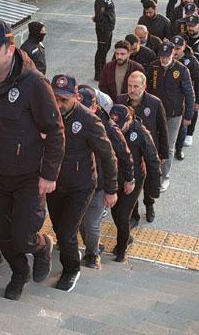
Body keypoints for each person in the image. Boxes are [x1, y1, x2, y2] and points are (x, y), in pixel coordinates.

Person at [0, 19, 65, 301]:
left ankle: (42, 247)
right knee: (0, 233)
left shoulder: (33, 83)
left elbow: (55, 130)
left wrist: (50, 174)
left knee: (23, 235)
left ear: (10, 49)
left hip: (28, 176)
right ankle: (19, 271)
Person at [48, 75, 117, 291]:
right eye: (56, 99)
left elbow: (108, 155)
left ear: (76, 96)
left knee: (67, 232)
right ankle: (71, 251)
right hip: (53, 183)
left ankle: (71, 269)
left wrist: (111, 189)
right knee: (59, 229)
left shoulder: (89, 120)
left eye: (64, 100)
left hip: (81, 185)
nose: (59, 105)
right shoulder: (46, 114)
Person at [77, 86, 132, 270]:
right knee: (80, 223)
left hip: (98, 185)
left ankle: (92, 254)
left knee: (91, 224)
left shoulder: (108, 128)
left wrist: (123, 183)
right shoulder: (70, 120)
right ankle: (94, 247)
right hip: (77, 183)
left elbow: (122, 156)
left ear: (94, 107)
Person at [108, 104, 160, 263]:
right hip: (116, 177)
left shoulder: (141, 133)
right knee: (115, 213)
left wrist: (153, 190)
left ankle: (121, 250)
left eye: (122, 124)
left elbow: (153, 160)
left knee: (123, 216)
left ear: (129, 120)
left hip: (134, 179)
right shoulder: (110, 129)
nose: (119, 128)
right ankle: (126, 237)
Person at [116, 72, 168, 224]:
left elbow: (163, 130)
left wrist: (163, 154)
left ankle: (149, 205)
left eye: (136, 86)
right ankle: (134, 214)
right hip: (130, 152)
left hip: (149, 151)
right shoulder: (120, 101)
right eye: (130, 86)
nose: (132, 90)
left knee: (149, 182)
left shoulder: (155, 103)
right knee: (132, 182)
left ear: (144, 86)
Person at [146, 41, 194, 192]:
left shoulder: (181, 70)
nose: (164, 59)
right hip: (155, 113)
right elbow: (146, 87)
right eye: (162, 56)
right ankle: (153, 173)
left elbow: (189, 94)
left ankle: (164, 177)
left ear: (173, 54)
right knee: (152, 143)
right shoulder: (153, 66)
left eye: (167, 56)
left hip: (174, 114)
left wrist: (188, 115)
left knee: (169, 146)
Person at [171, 36, 199, 160]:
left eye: (178, 48)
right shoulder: (165, 59)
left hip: (184, 99)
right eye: (173, 48)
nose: (175, 51)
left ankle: (179, 149)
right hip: (169, 99)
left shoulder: (191, 61)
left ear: (184, 47)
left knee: (182, 127)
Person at [93, 0, 117, 81]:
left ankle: (102, 70)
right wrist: (103, 27)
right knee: (101, 50)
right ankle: (99, 73)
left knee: (106, 48)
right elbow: (99, 16)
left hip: (108, 29)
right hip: (103, 30)